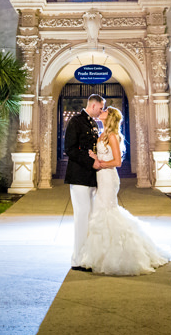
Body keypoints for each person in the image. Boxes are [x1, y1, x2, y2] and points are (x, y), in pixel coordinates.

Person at [78, 106, 171, 275]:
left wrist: (101, 164)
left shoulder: (113, 136)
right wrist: (95, 158)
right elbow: (105, 157)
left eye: (105, 110)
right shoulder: (102, 134)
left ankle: (118, 255)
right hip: (101, 176)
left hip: (108, 177)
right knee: (101, 211)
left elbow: (118, 162)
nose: (102, 112)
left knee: (106, 211)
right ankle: (100, 255)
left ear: (110, 116)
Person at [64, 93, 104, 272]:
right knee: (81, 217)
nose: (101, 111)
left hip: (91, 177)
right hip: (79, 176)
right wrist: (90, 162)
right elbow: (70, 149)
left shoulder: (93, 123)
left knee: (89, 218)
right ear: (93, 106)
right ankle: (77, 259)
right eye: (101, 108)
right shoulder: (76, 121)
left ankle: (87, 256)